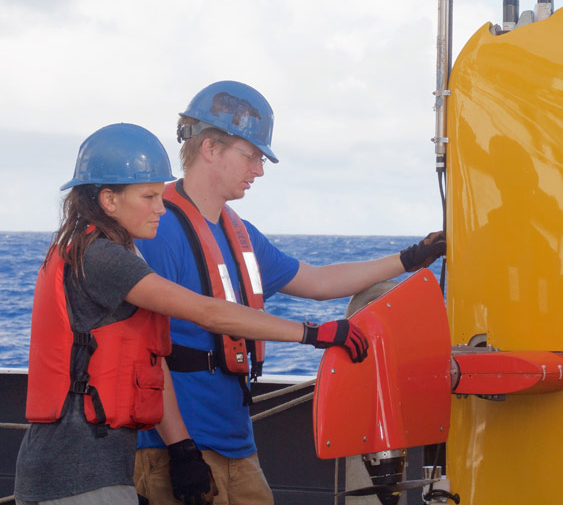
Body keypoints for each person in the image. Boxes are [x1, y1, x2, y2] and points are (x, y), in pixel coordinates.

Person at [14, 123, 369, 505]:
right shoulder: (103, 258)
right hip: (76, 476)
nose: (159, 207)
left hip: (90, 469)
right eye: (149, 196)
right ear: (109, 200)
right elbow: (207, 312)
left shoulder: (96, 250)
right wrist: (312, 333)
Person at [133, 80, 446, 505]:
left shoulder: (239, 232)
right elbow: (147, 354)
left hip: (237, 445)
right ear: (210, 149)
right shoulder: (158, 231)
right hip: (181, 450)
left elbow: (317, 282)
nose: (259, 170)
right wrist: (180, 450)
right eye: (252, 156)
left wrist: (411, 258)